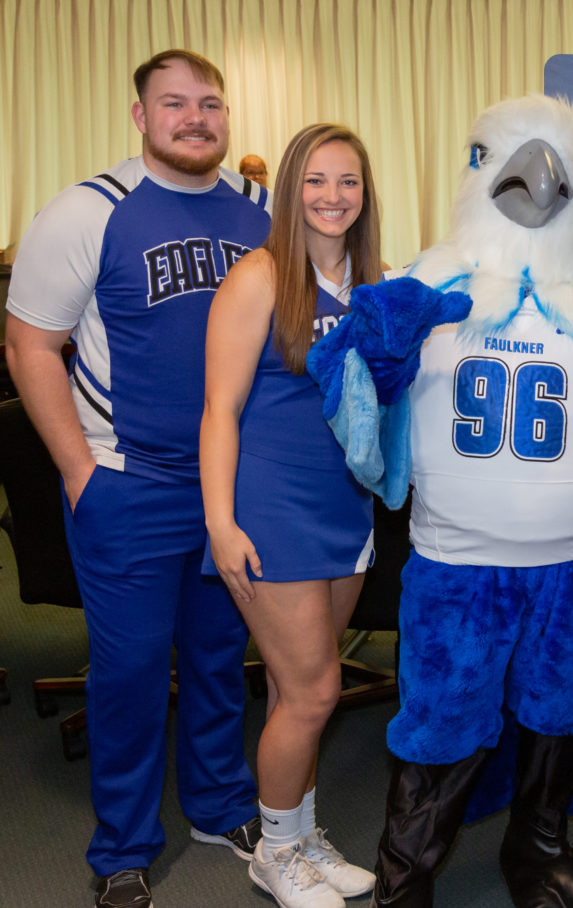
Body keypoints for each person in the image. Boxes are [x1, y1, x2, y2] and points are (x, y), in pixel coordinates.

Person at [4, 49, 270, 908]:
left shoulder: (261, 213)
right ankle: (121, 844)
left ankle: (221, 804)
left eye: (210, 104)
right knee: (127, 670)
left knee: (220, 655)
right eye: (175, 104)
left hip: (229, 485)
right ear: (141, 117)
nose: (196, 119)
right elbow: (29, 346)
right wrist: (80, 473)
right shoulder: (91, 211)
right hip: (129, 484)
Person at [200, 123, 381, 908]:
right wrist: (221, 521)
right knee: (314, 692)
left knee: (293, 688)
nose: (332, 197)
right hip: (272, 508)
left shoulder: (371, 285)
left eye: (347, 181)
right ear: (290, 190)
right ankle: (275, 852)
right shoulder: (260, 276)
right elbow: (219, 410)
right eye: (315, 180)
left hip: (347, 507)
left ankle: (301, 835)